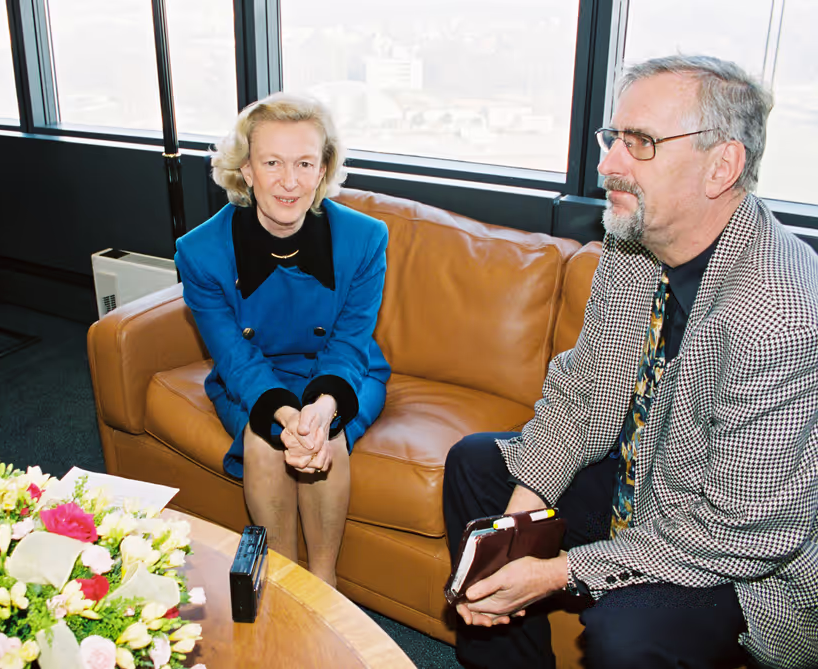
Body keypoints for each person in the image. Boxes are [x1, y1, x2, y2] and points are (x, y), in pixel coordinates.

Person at [443, 55, 818, 669]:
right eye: (613, 137)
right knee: (478, 466)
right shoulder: (635, 238)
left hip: (745, 564)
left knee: (625, 632)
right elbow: (590, 392)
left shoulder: (779, 315)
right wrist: (514, 534)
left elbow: (742, 533)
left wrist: (556, 572)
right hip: (646, 488)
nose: (607, 163)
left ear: (722, 166)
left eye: (639, 142)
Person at [174, 93, 390, 587]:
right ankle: (289, 585)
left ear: (323, 171)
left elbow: (350, 342)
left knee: (325, 434)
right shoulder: (201, 252)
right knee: (267, 436)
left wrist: (321, 407)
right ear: (246, 170)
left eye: (304, 163)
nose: (289, 181)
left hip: (343, 372)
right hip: (251, 378)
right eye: (272, 162)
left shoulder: (365, 238)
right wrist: (284, 412)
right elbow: (234, 356)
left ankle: (325, 584)